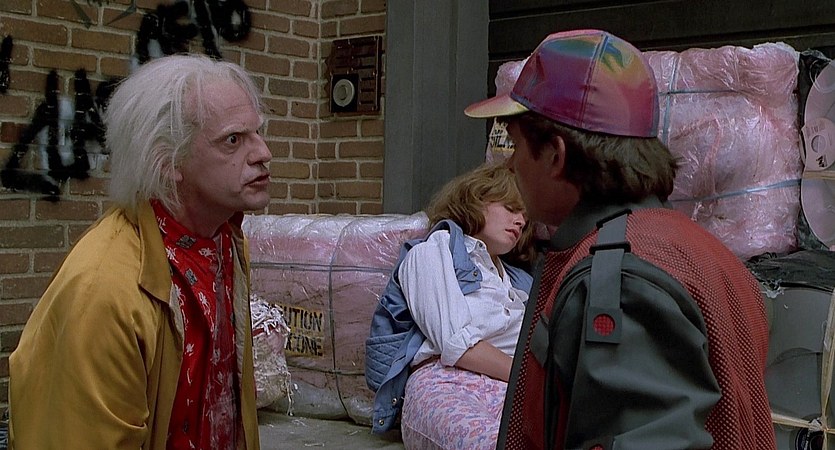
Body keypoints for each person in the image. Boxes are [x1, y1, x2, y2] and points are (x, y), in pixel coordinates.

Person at [464, 29, 775, 449]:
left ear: (555, 155)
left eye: (516, 146)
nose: (511, 165)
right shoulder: (701, 249)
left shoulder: (623, 279)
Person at [8, 54, 271, 449]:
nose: (263, 152)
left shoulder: (226, 243)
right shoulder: (104, 290)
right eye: (233, 140)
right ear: (167, 160)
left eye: (258, 132)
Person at [366, 163, 535, 449]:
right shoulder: (432, 251)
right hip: (447, 383)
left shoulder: (519, 281)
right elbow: (457, 344)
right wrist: (532, 379)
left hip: (509, 386)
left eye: (525, 217)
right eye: (511, 208)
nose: (519, 221)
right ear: (477, 199)